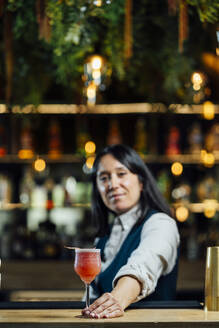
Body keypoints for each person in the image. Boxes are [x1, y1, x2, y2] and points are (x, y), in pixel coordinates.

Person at [82, 144, 180, 319]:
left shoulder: (161, 224)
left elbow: (143, 265)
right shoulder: (102, 239)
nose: (112, 184)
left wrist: (116, 299)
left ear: (141, 182)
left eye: (121, 174)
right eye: (104, 178)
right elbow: (91, 297)